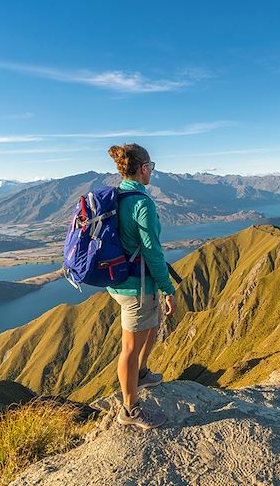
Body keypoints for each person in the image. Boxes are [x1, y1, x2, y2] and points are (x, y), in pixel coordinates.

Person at [107, 143, 177, 429]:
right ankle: (130, 409)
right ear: (144, 168)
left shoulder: (119, 195)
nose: (152, 172)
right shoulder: (142, 203)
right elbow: (153, 251)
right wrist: (168, 288)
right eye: (152, 167)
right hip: (137, 286)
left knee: (154, 322)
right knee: (129, 350)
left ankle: (143, 373)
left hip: (122, 281)